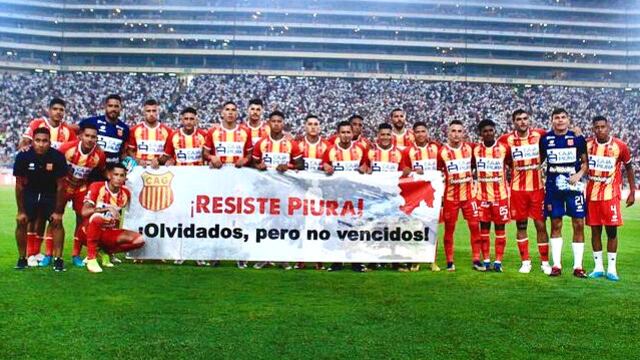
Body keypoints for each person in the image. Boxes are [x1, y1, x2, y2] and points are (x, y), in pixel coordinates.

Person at [19, 98, 76, 264]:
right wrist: (23, 147)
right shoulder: (37, 123)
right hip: (35, 176)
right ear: (49, 110)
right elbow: (25, 142)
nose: (58, 112)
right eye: (55, 109)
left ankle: (47, 253)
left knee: (51, 217)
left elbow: (70, 150)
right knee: (33, 217)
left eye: (61, 110)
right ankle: (31, 253)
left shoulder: (67, 130)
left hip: (55, 180)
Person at [498, 109, 551, 274]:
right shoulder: (506, 139)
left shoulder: (540, 134)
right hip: (517, 190)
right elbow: (503, 157)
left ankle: (545, 262)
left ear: (529, 120)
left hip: (537, 189)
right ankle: (525, 261)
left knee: (540, 225)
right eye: (518, 119)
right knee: (521, 225)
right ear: (513, 122)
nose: (522, 122)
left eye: (525, 118)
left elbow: (550, 147)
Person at [539, 108, 589, 278]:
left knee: (578, 224)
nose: (560, 120)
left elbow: (585, 162)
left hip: (573, 188)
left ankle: (578, 266)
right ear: (552, 120)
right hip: (554, 188)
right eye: (556, 118)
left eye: (563, 117)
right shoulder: (545, 139)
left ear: (568, 120)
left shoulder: (577, 138)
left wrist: (579, 174)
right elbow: (539, 161)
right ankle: (557, 265)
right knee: (556, 224)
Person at [48, 123, 106, 267]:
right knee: (54, 218)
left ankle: (76, 254)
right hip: (63, 185)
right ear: (80, 136)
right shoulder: (67, 148)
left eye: (93, 137)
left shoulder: (100, 155)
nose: (90, 139)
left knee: (81, 219)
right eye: (87, 136)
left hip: (81, 188)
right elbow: (53, 164)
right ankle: (49, 254)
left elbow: (100, 172)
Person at [252, 110, 304, 271]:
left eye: (279, 121)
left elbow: (301, 164)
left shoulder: (290, 143)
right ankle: (264, 257)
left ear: (283, 124)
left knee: (283, 224)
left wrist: (287, 166)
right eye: (273, 121)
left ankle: (283, 258)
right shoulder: (261, 143)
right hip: (265, 191)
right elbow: (253, 162)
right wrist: (258, 166)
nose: (276, 124)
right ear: (269, 123)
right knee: (265, 223)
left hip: (284, 191)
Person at [586, 116, 635, 281]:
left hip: (611, 195)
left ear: (609, 127)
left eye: (603, 127)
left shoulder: (620, 146)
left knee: (611, 231)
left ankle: (612, 269)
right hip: (592, 195)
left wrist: (632, 191)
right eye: (597, 127)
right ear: (593, 129)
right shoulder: (587, 145)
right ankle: (598, 267)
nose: (600, 130)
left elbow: (629, 167)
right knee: (595, 231)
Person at [13, 128, 68, 271]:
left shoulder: (58, 157)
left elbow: (61, 186)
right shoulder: (23, 156)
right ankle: (22, 258)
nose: (41, 144)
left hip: (50, 194)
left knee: (57, 222)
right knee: (21, 221)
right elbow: (19, 185)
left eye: (45, 141)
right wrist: (21, 210)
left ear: (50, 142)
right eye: (38, 140)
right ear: (33, 141)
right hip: (30, 193)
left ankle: (58, 259)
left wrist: (58, 211)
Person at [160, 107, 209, 266]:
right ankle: (180, 252)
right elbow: (167, 156)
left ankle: (198, 253)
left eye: (191, 118)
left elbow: (208, 155)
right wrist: (158, 161)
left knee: (199, 220)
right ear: (181, 120)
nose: (188, 121)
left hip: (199, 182)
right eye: (185, 118)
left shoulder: (203, 136)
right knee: (180, 219)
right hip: (180, 183)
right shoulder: (173, 136)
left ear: (196, 120)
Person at [80, 164, 145, 273]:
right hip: (87, 231)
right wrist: (106, 209)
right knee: (97, 218)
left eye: (122, 175)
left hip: (107, 233)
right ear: (109, 175)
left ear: (125, 178)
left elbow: (118, 216)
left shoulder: (125, 193)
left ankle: (106, 252)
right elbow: (84, 212)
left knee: (139, 240)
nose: (119, 178)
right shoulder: (97, 186)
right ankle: (91, 258)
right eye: (116, 175)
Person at [437, 120, 483, 272]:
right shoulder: (442, 152)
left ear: (464, 133)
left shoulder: (470, 149)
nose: (456, 134)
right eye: (453, 131)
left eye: (459, 131)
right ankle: (450, 261)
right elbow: (436, 171)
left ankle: (476, 259)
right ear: (448, 133)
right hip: (451, 198)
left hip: (469, 196)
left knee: (475, 227)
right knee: (449, 229)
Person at [322, 121, 368, 272]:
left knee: (355, 228)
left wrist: (365, 168)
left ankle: (356, 261)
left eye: (348, 132)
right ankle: (337, 261)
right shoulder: (330, 151)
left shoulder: (360, 150)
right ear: (338, 133)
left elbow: (368, 167)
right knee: (337, 228)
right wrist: (325, 166)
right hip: (337, 197)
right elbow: (323, 166)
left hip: (355, 197)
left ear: (352, 133)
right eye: (343, 132)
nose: (346, 135)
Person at [400, 121, 441, 272]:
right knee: (415, 229)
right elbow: (403, 172)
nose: (421, 134)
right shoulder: (408, 151)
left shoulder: (436, 148)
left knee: (432, 228)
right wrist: (412, 172)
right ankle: (415, 261)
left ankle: (432, 261)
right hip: (416, 196)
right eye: (417, 132)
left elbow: (443, 167)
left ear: (427, 132)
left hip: (432, 195)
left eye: (423, 131)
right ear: (413, 134)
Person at [365, 123, 405, 271]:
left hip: (393, 198)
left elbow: (405, 173)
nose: (386, 137)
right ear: (378, 136)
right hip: (375, 198)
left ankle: (394, 260)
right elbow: (362, 169)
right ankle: (374, 260)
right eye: (383, 134)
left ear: (392, 136)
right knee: (376, 228)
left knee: (393, 228)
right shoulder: (370, 153)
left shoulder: (399, 153)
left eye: (388, 134)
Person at [474, 120, 511, 272]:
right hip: (482, 197)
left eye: (491, 130)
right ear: (480, 134)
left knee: (500, 230)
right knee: (484, 230)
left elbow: (512, 164)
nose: (488, 133)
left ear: (494, 131)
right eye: (485, 131)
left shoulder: (504, 149)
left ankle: (498, 262)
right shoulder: (475, 150)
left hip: (500, 196)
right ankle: (487, 260)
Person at [294, 114, 329, 270]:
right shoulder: (298, 146)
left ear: (320, 127)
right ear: (305, 126)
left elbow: (332, 165)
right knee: (302, 225)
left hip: (320, 191)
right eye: (310, 124)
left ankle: (318, 259)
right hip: (301, 191)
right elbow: (292, 165)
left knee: (319, 225)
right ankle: (300, 258)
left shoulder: (327, 146)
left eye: (316, 124)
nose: (313, 127)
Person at [79, 94, 130, 166]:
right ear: (105, 107)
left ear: (120, 108)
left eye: (116, 106)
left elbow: (123, 151)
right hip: (93, 167)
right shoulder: (92, 121)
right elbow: (75, 131)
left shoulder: (125, 128)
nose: (113, 109)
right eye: (110, 106)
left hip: (112, 169)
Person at [203, 101, 252, 169]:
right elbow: (205, 153)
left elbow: (250, 154)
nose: (230, 112)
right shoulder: (212, 131)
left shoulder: (246, 132)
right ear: (222, 113)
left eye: (233, 110)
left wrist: (245, 160)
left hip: (239, 171)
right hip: (219, 170)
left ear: (236, 114)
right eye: (227, 109)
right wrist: (212, 157)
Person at [127, 99, 172, 168]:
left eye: (154, 111)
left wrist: (159, 161)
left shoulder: (167, 131)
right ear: (144, 112)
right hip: (140, 168)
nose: (151, 114)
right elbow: (130, 150)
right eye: (148, 111)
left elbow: (169, 153)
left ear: (158, 112)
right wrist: (137, 160)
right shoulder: (134, 130)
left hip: (159, 169)